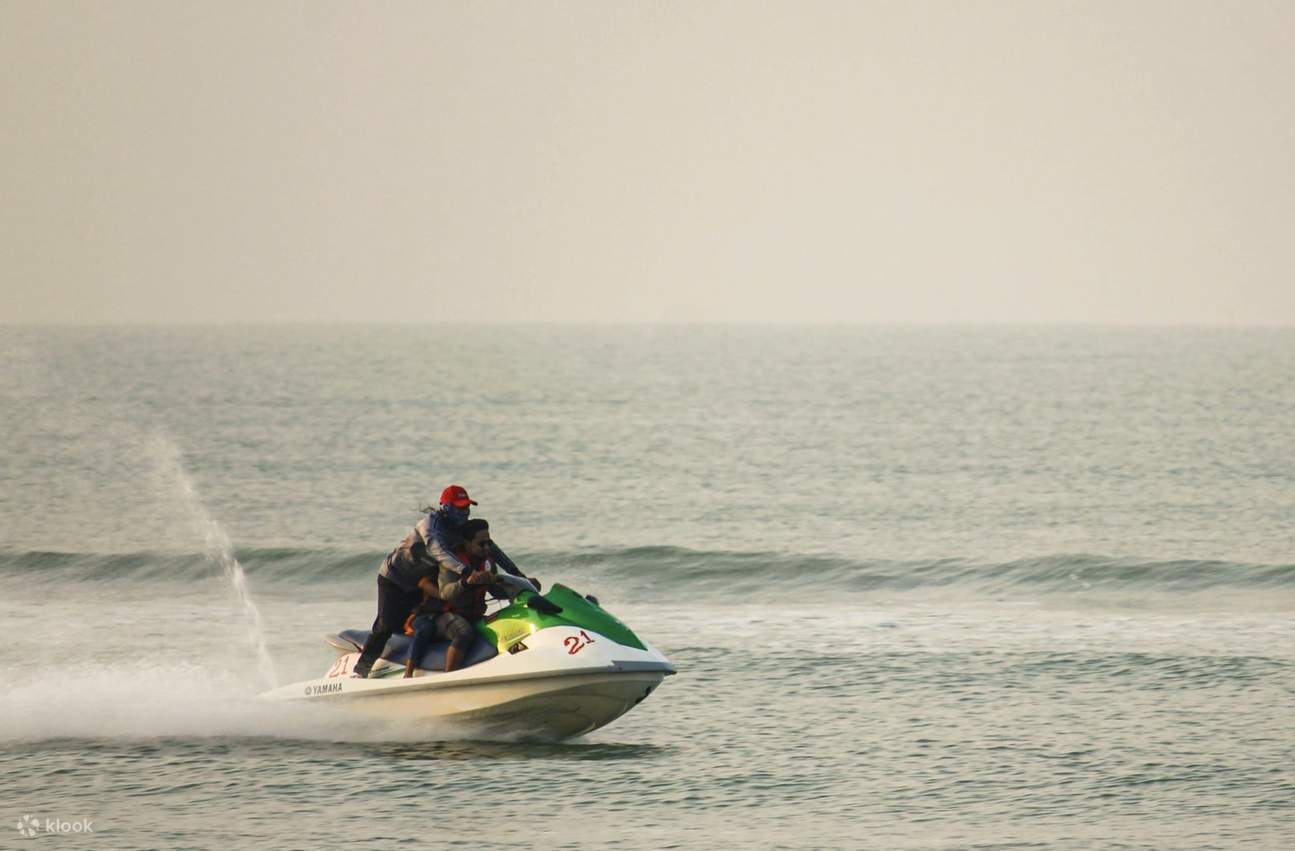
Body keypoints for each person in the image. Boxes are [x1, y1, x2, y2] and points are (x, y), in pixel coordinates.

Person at [353, 484, 536, 678]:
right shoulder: (429, 525)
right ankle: (362, 668)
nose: (464, 512)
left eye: (467, 507)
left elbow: (492, 549)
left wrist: (518, 575)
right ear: (446, 507)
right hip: (396, 578)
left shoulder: (461, 529)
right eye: (460, 507)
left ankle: (424, 667)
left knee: (422, 622)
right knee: (387, 624)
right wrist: (467, 572)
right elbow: (438, 551)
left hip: (421, 580)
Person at [403, 518, 523, 676]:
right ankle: (449, 678)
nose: (487, 548)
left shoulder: (487, 563)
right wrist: (466, 583)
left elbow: (495, 591)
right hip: (443, 616)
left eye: (488, 543)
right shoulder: (452, 564)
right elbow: (446, 593)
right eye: (481, 544)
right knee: (464, 632)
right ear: (467, 543)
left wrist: (517, 589)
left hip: (473, 615)